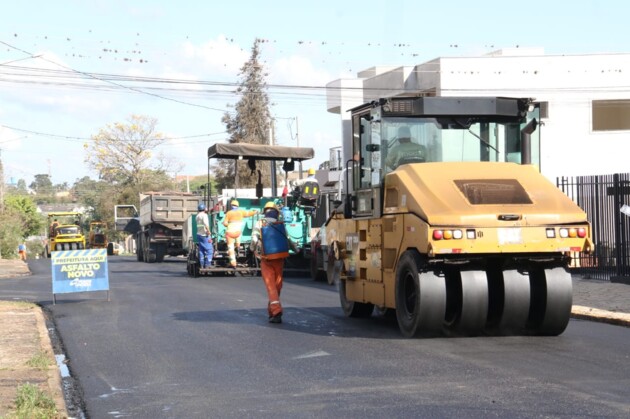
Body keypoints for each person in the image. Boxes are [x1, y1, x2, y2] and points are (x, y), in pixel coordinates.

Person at [251, 202, 299, 323]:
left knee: (270, 286)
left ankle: (276, 311)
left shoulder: (260, 223)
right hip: (279, 258)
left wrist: (252, 248)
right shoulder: (280, 224)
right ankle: (272, 311)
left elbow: (254, 238)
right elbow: (287, 239)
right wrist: (296, 249)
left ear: (265, 211)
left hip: (266, 259)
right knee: (277, 285)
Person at [222, 199, 258, 268]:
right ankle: (238, 246)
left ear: (231, 205)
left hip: (229, 233)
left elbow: (225, 223)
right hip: (237, 233)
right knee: (238, 236)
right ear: (238, 206)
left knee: (230, 248)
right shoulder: (241, 212)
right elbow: (249, 213)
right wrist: (255, 212)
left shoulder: (229, 213)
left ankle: (233, 263)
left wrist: (225, 224)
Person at [195, 203, 213, 268]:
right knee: (209, 250)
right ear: (204, 209)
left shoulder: (197, 216)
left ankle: (202, 264)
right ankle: (208, 264)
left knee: (201, 249)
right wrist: (208, 231)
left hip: (199, 234)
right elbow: (206, 224)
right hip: (205, 235)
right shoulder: (204, 215)